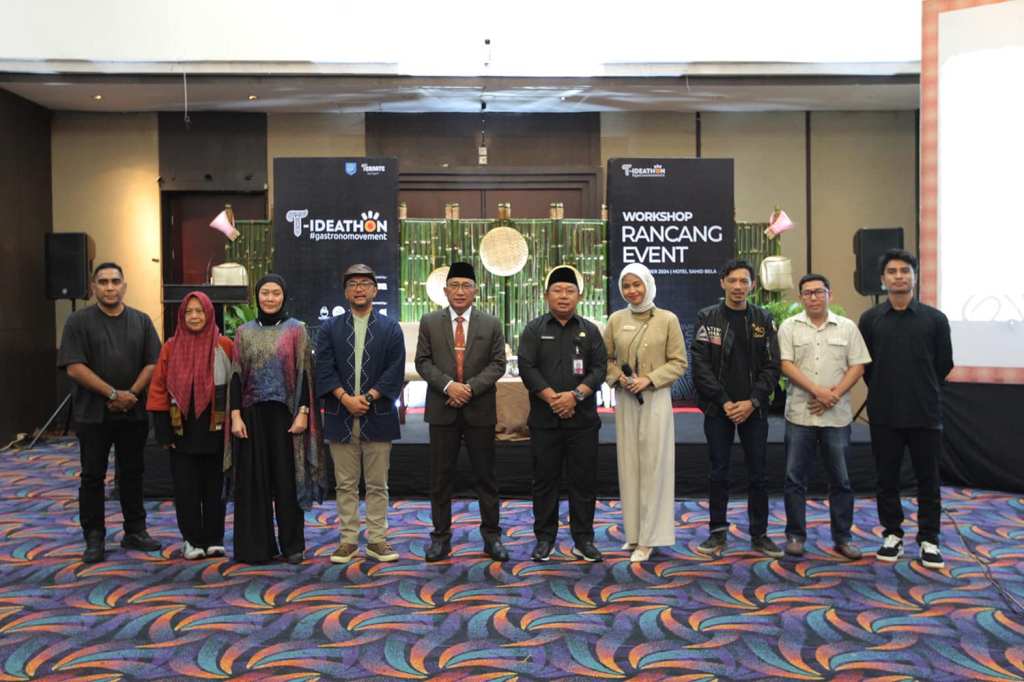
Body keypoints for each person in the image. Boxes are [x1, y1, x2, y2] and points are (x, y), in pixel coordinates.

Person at [57, 262, 162, 563]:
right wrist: (114, 394)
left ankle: (135, 530)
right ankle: (94, 536)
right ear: (93, 287)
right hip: (93, 414)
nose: (110, 287)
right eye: (103, 282)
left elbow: (153, 363)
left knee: (133, 473)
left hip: (133, 412)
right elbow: (74, 367)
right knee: (93, 476)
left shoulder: (141, 321)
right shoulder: (78, 321)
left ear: (124, 286)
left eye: (115, 281)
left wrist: (132, 395)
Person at [858, 249, 953, 570]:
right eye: (892, 271)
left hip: (925, 412)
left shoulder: (935, 319)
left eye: (904, 271)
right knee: (886, 478)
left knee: (929, 479)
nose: (899, 276)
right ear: (882, 279)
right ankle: (892, 533)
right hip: (884, 412)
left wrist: (919, 388)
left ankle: (929, 538)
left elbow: (943, 364)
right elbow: (866, 367)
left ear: (914, 276)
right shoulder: (870, 320)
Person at [228, 274, 327, 564]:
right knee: (254, 483)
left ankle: (292, 545)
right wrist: (235, 416)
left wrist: (303, 413)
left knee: (287, 481)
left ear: (283, 297)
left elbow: (305, 373)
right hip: (251, 416)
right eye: (265, 293)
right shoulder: (244, 332)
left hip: (287, 416)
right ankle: (256, 548)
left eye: (276, 293)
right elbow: (236, 376)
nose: (270, 298)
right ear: (257, 296)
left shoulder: (296, 329)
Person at [415, 262, 509, 562]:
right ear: (445, 291)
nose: (459, 291)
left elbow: (498, 364)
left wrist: (468, 388)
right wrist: (448, 387)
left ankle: (492, 537)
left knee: (486, 477)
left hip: (479, 409)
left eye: (465, 286)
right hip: (442, 410)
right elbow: (423, 361)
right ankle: (440, 538)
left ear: (475, 291)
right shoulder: (430, 321)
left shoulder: (491, 323)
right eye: (454, 286)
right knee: (440, 478)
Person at [691, 258, 782, 558]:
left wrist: (752, 401)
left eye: (744, 281)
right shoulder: (707, 317)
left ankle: (760, 535)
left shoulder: (763, 319)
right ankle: (717, 533)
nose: (738, 286)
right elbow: (700, 366)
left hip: (754, 409)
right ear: (722, 283)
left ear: (752, 285)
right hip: (719, 409)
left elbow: (773, 366)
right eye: (732, 280)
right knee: (718, 472)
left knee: (758, 474)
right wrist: (725, 401)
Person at [316, 264, 405, 564]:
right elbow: (324, 369)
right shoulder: (330, 328)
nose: (359, 288)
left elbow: (395, 370)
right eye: (353, 283)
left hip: (378, 414)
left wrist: (367, 398)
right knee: (345, 484)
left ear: (375, 290)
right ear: (345, 292)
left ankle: (377, 540)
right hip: (340, 414)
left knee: (378, 484)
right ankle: (348, 540)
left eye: (365, 283)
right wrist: (345, 399)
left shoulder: (390, 328)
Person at [778, 274, 871, 560]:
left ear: (830, 294)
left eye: (819, 292)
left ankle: (843, 537)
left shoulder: (847, 327)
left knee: (840, 480)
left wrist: (834, 395)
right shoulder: (789, 327)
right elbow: (785, 364)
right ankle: (795, 536)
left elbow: (858, 366)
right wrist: (818, 391)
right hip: (800, 414)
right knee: (794, 479)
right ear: (801, 297)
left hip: (837, 416)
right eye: (807, 293)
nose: (813, 297)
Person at [518, 265, 608, 562]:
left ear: (579, 296)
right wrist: (552, 398)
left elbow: (599, 368)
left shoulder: (590, 330)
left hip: (583, 421)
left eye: (570, 291)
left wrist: (575, 396)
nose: (564, 296)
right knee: (544, 481)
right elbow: (527, 367)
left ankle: (584, 539)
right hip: (545, 421)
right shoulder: (534, 329)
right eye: (557, 290)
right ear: (546, 295)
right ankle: (545, 539)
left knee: (583, 481)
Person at [604, 263, 687, 563]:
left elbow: (679, 362)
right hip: (626, 398)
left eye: (637, 284)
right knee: (629, 465)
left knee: (654, 466)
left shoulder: (667, 319)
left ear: (648, 284)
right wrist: (619, 378)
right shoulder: (616, 319)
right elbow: (605, 358)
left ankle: (651, 537)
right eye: (626, 286)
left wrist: (649, 379)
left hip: (655, 398)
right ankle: (634, 533)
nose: (632, 291)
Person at [147, 291, 233, 559]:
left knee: (214, 488)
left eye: (200, 311)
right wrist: (163, 430)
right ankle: (192, 540)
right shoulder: (171, 347)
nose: (194, 316)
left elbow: (237, 387)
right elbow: (159, 388)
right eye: (189, 312)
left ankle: (214, 539)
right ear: (181, 316)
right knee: (186, 489)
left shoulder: (225, 345)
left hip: (216, 430)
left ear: (209, 314)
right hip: (181, 431)